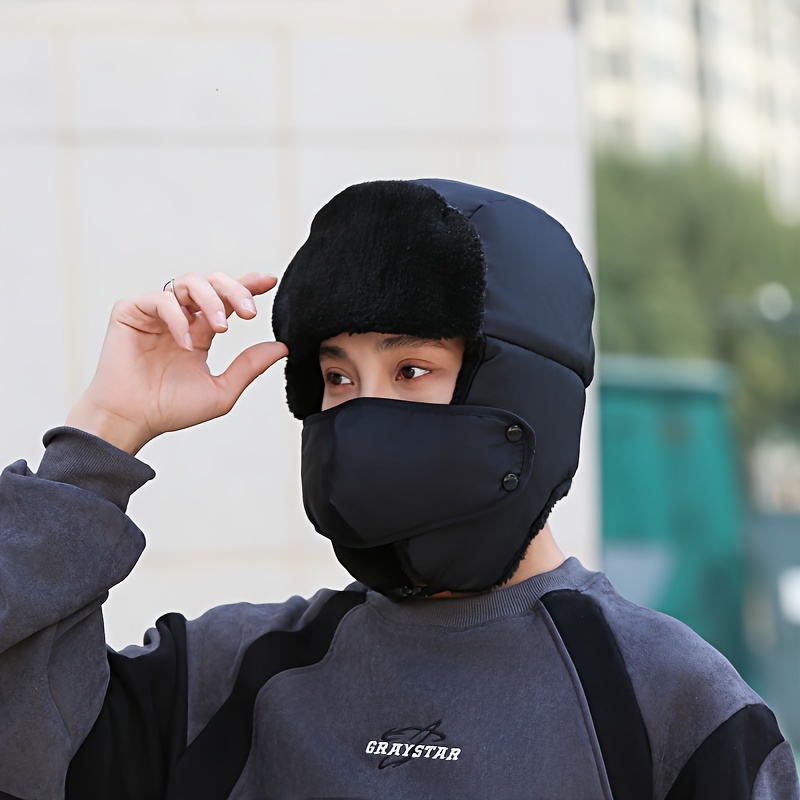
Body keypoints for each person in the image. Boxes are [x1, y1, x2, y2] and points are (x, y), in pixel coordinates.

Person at [0, 179, 797, 800]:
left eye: (411, 370)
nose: (363, 414)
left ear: (523, 396)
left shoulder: (669, 702)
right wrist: (103, 433)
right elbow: (28, 755)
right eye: (338, 377)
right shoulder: (226, 675)